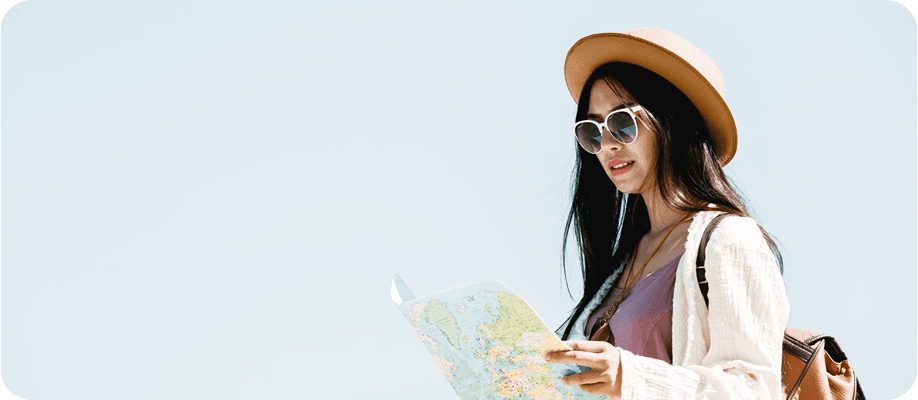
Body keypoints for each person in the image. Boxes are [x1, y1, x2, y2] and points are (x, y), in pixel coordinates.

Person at [544, 29, 791, 400]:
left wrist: (631, 377)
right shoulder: (625, 259)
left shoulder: (730, 240)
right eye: (592, 132)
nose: (607, 144)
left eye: (622, 123)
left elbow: (755, 390)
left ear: (672, 119)